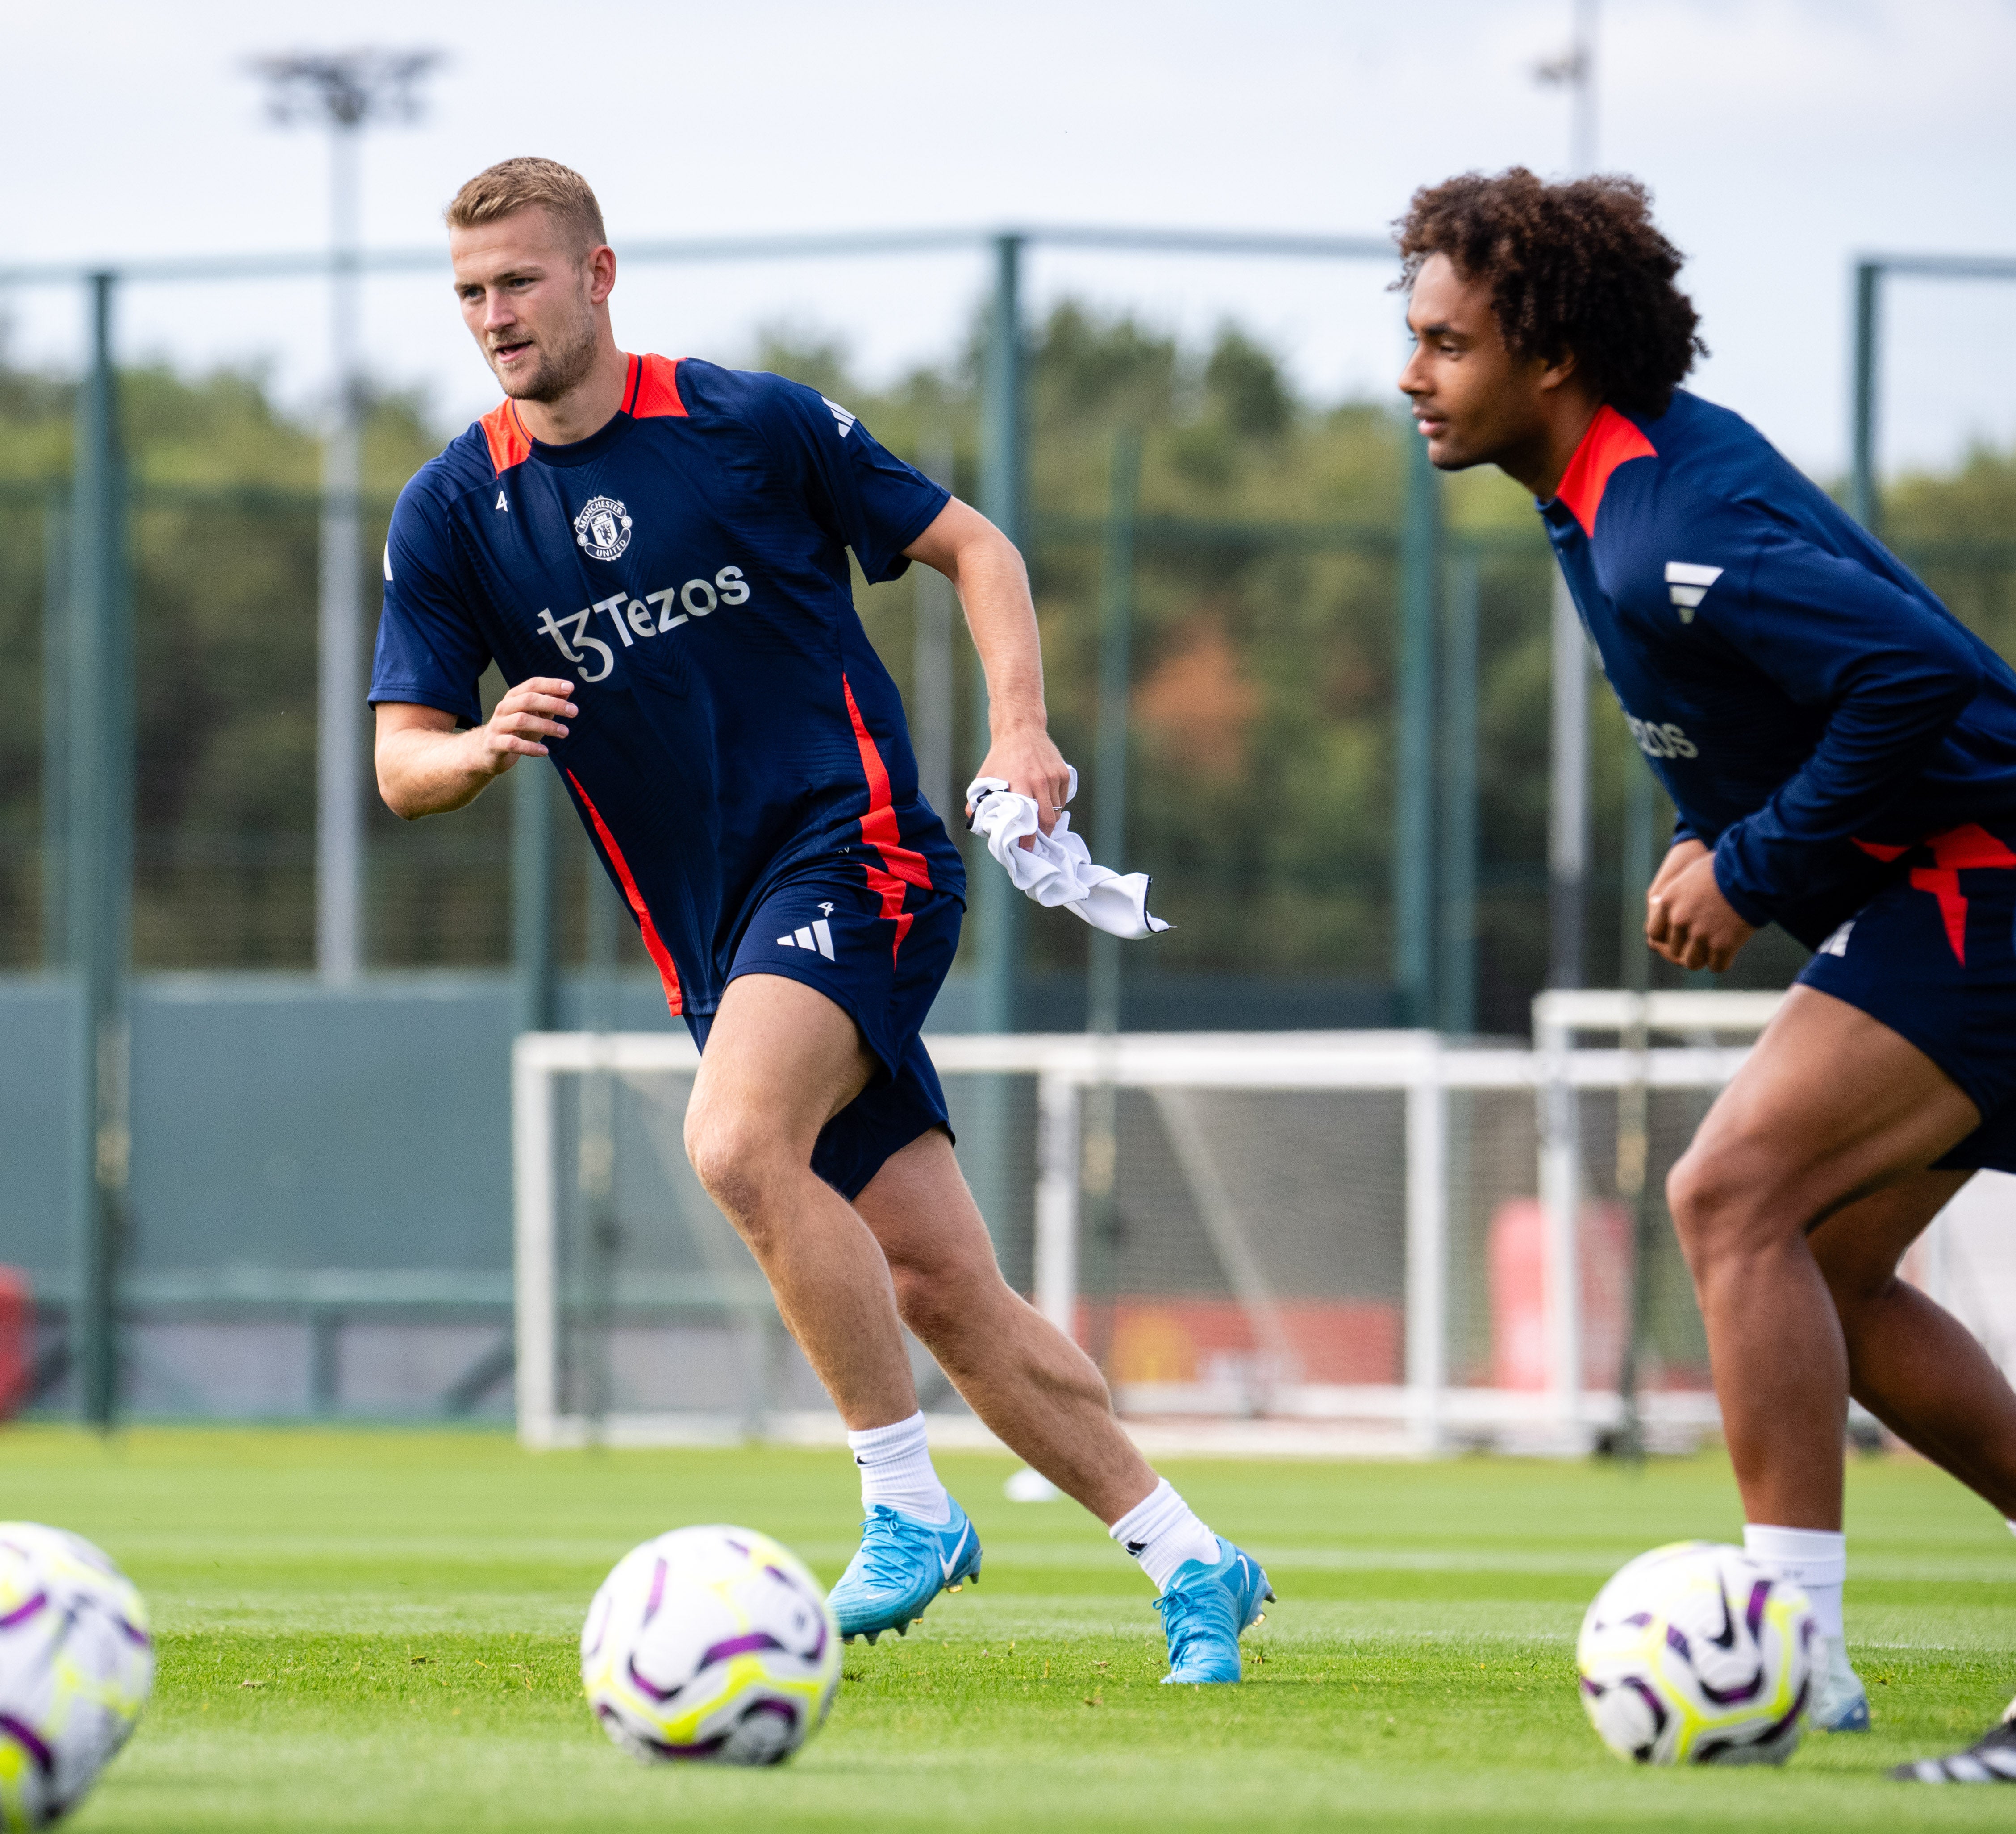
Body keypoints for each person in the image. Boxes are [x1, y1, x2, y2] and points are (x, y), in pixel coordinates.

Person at [370, 156, 1271, 1682]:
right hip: (716, 944)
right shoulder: (456, 509)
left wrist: (1020, 732)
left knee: (732, 1146)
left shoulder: (746, 423)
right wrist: (473, 744)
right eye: (467, 293)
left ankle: (904, 1510)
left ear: (597, 275)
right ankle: (1194, 1559)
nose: (493, 316)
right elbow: (400, 769)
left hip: (858, 857)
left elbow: (974, 546)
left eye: (518, 281)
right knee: (936, 1283)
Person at [1397, 166, 2016, 1770]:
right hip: (1959, 891)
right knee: (1817, 1257)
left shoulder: (1656, 521)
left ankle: (1791, 1652)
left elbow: (1917, 670)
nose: (1411, 376)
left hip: (1987, 891)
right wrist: (1734, 830)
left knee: (1728, 1196)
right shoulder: (1614, 486)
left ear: (1549, 354)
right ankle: (1801, 1644)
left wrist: (1753, 864)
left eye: (1446, 345)